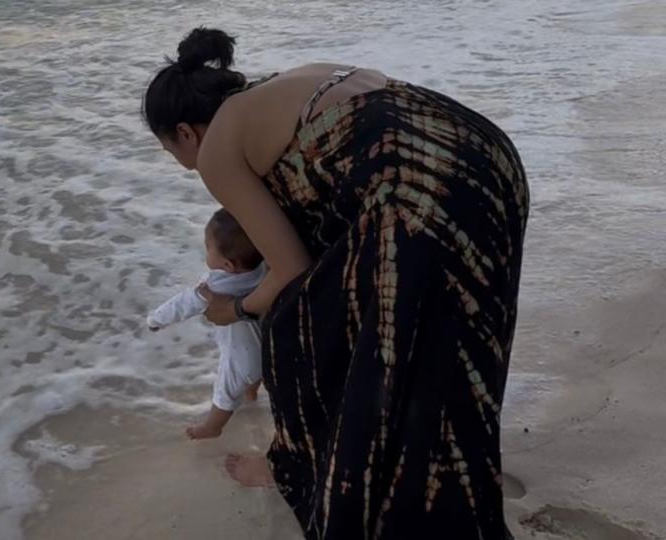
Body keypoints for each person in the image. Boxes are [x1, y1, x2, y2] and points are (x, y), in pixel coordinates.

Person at [140, 27, 528, 540]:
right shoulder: (282, 86)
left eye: (173, 153)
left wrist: (233, 312)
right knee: (456, 345)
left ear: (185, 133)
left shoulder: (215, 151)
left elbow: (293, 273)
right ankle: (455, 476)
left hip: (415, 188)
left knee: (297, 326)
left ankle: (302, 473)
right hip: (485, 152)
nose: (185, 165)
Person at [147, 209, 266, 439]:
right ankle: (252, 394)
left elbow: (183, 304)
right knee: (251, 376)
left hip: (241, 356)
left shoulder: (216, 287)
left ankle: (212, 428)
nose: (206, 251)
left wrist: (156, 319)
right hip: (264, 346)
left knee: (225, 390)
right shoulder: (262, 270)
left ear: (228, 265)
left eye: (208, 247)